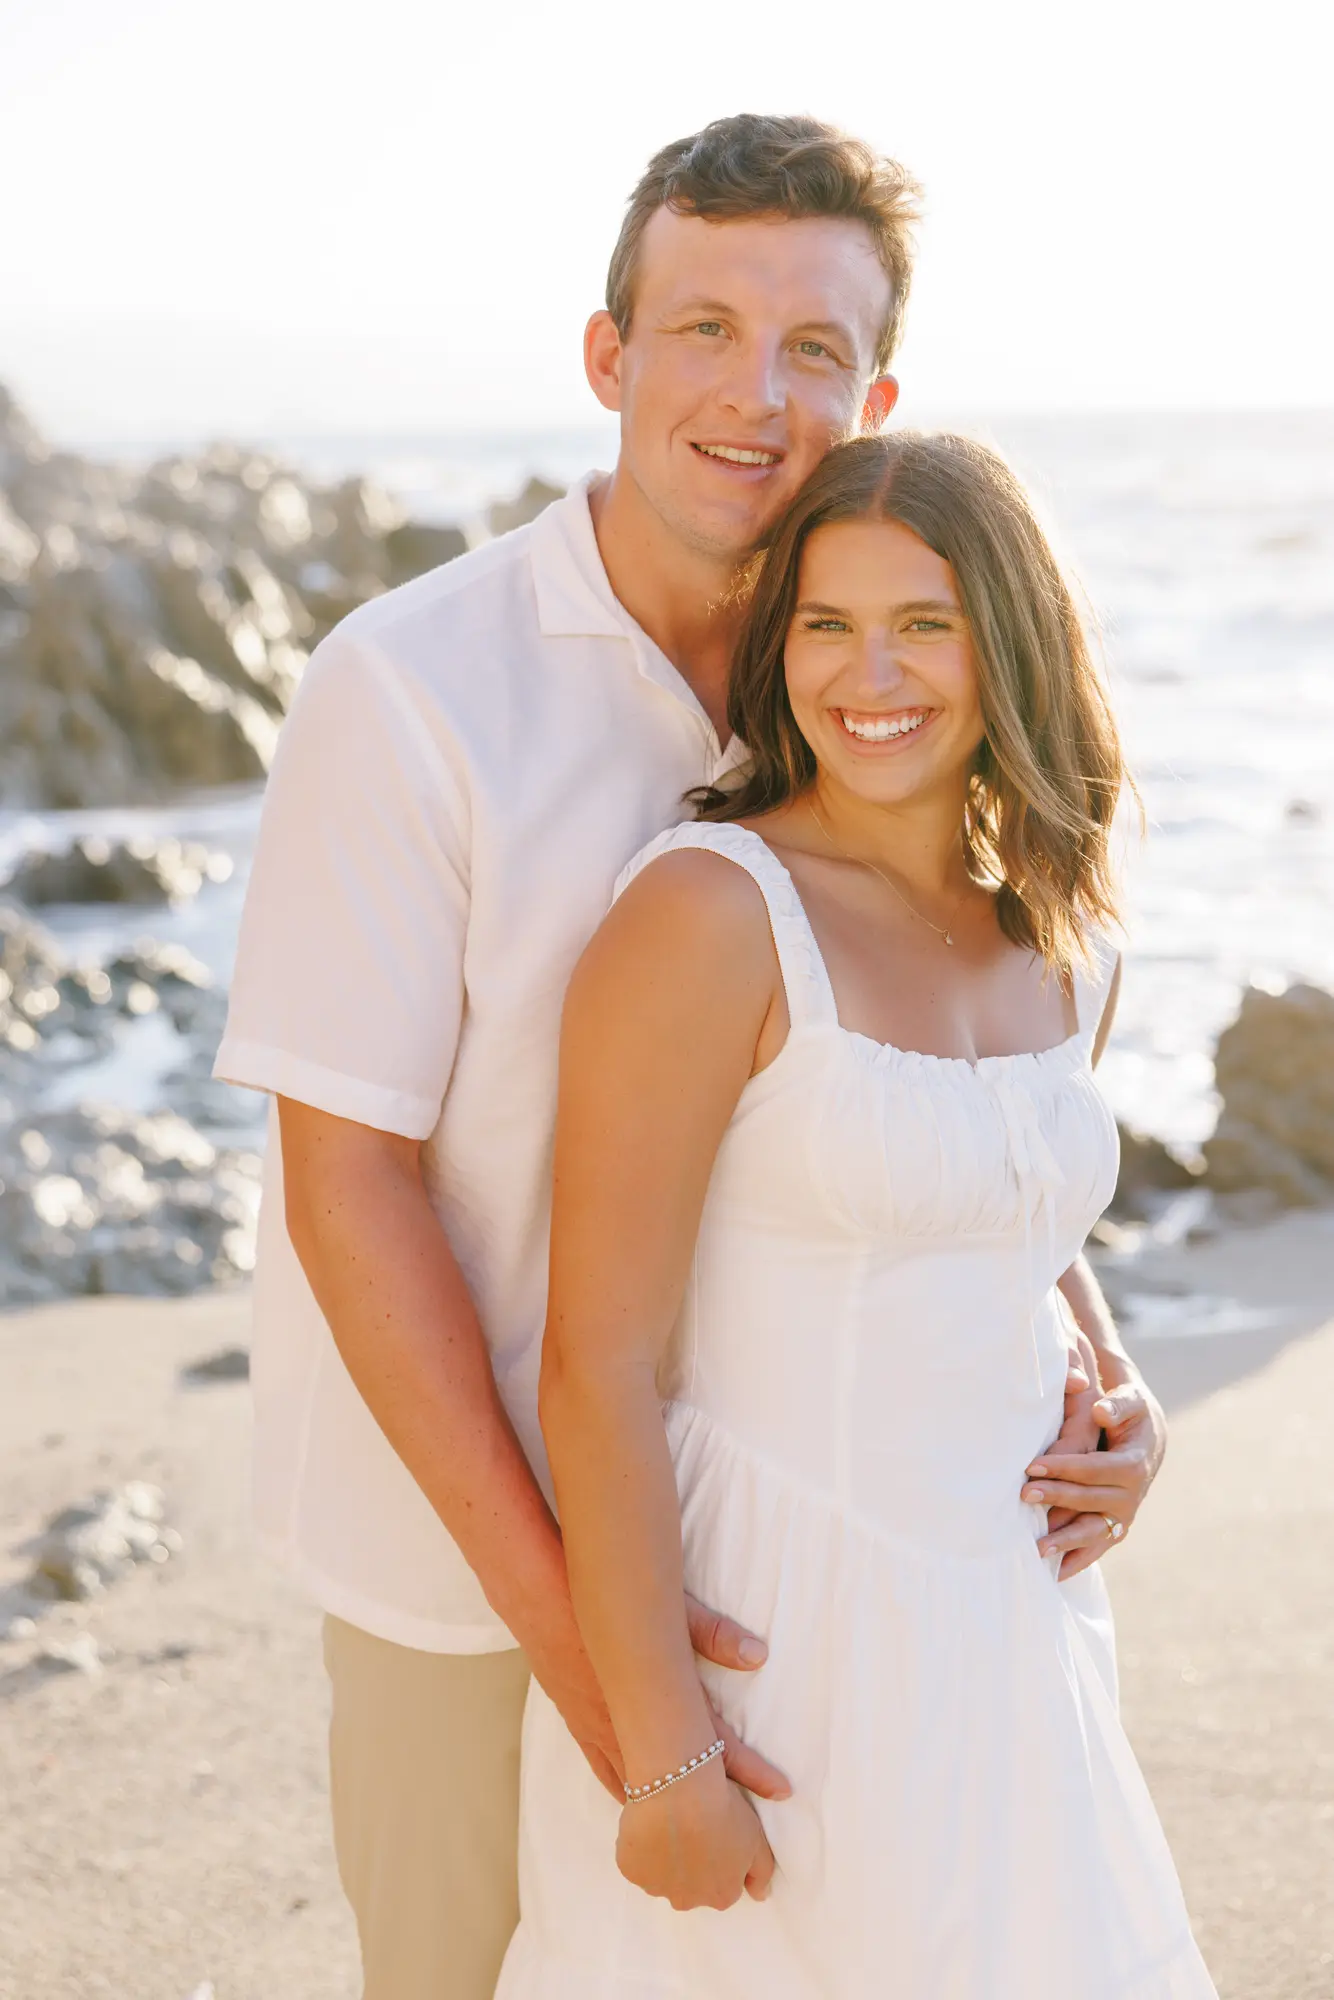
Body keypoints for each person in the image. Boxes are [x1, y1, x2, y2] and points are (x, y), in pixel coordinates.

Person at [214, 115, 1166, 2000]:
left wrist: (1093, 1358)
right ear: (608, 358)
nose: (757, 391)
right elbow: (349, 1190)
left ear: (874, 387)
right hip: (460, 1544)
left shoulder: (855, 675)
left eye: (813, 348)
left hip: (816, 1555)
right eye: (704, 328)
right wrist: (608, 1672)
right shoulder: (412, 688)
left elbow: (910, 1074)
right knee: (462, 1970)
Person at [496, 430, 1214, 1997]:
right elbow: (597, 1359)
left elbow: (1007, 1209)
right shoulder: (707, 911)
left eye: (923, 623)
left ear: (1009, 642)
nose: (865, 673)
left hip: (1012, 1645)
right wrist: (661, 1752)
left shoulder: (1066, 935)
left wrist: (1119, 1392)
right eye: (825, 623)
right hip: (775, 1650)